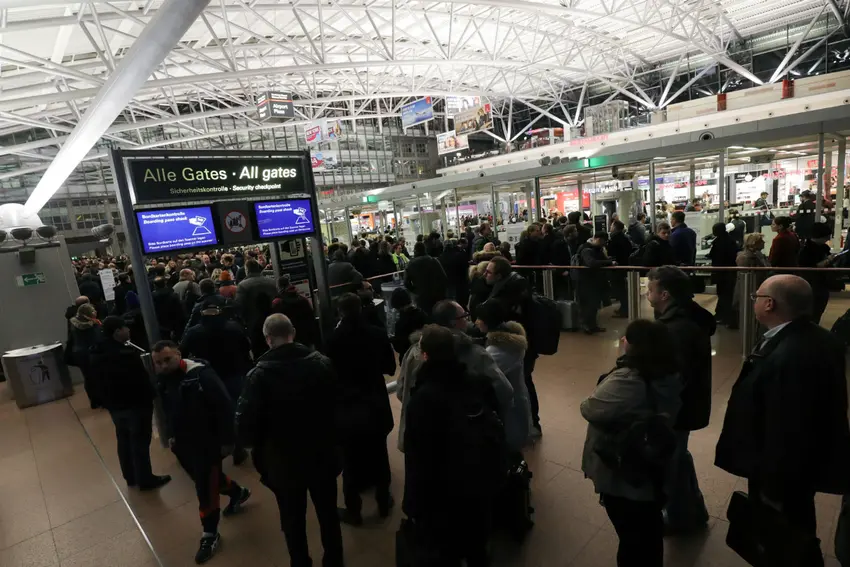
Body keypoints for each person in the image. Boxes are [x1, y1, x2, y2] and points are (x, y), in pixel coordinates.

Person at [715, 275, 850, 567]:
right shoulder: (818, 338)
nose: (755, 302)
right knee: (798, 523)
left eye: (757, 297)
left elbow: (787, 428)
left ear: (769, 304)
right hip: (805, 465)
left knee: (784, 532)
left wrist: (773, 487)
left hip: (782, 472)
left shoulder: (789, 357)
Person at [236, 314, 345, 567]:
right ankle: (334, 559)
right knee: (328, 512)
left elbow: (246, 427)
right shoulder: (322, 363)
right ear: (293, 332)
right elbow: (337, 405)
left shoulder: (258, 376)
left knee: (292, 518)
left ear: (267, 339)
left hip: (282, 460)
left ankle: (300, 561)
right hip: (322, 452)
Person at [581, 319, 681, 567]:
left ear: (637, 346)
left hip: (625, 466)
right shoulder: (667, 371)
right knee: (647, 531)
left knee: (632, 538)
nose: (622, 340)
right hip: (651, 461)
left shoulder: (630, 379)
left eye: (627, 338)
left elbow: (589, 407)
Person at [402, 325, 502, 566]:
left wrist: (413, 503)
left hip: (441, 494)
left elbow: (417, 456)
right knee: (478, 549)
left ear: (424, 355)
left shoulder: (423, 398)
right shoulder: (477, 383)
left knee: (445, 552)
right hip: (477, 482)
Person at [153, 341, 251, 564]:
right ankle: (237, 492)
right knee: (204, 478)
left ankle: (209, 533)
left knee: (204, 488)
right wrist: (171, 434)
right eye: (158, 362)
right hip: (184, 443)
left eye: (167, 359)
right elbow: (168, 409)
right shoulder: (164, 380)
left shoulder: (201, 376)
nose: (163, 365)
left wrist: (228, 441)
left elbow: (224, 406)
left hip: (208, 441)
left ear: (178, 354)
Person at [646, 266, 714, 534]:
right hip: (686, 406)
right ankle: (692, 510)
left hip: (675, 411)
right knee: (678, 456)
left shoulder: (675, 329)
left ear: (664, 294)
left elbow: (670, 378)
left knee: (671, 462)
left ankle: (678, 517)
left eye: (650, 290)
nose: (647, 294)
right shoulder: (691, 318)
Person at [396, 300, 513, 453]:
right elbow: (504, 391)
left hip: (421, 439)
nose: (468, 320)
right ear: (454, 322)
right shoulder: (475, 355)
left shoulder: (413, 352)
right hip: (465, 441)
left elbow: (400, 390)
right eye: (464, 316)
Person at [326, 293, 397, 526]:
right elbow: (389, 366)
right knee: (380, 454)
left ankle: (354, 511)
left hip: (347, 405)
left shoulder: (333, 339)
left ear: (340, 312)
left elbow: (330, 375)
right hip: (375, 401)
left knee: (350, 461)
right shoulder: (376, 334)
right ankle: (383, 502)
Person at [91, 317, 171, 491]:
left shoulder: (97, 352)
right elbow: (140, 380)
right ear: (117, 332)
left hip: (114, 405)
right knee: (140, 441)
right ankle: (145, 478)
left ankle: (130, 476)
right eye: (124, 327)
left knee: (124, 439)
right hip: (135, 404)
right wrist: (152, 394)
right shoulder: (126, 355)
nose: (128, 330)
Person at [475, 300, 533, 454]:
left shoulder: (500, 350)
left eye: (479, 319)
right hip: (517, 396)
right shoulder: (510, 337)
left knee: (511, 444)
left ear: (488, 322)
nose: (475, 322)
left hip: (510, 405)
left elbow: (481, 372)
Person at [235, 259, 278, 358]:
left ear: (247, 269)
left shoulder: (242, 285)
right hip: (273, 318)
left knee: (259, 351)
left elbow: (239, 306)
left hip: (253, 323)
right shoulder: (271, 282)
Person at [575, 232, 616, 334]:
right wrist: (609, 262)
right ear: (597, 239)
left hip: (594, 281)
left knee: (594, 305)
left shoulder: (596, 249)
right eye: (602, 241)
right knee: (588, 305)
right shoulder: (586, 249)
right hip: (586, 281)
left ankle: (592, 325)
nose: (604, 244)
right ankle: (587, 326)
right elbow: (591, 263)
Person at [798, 221, 835, 324]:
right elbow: (810, 267)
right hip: (813, 284)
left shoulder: (822, 248)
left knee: (817, 311)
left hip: (821, 283)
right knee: (813, 311)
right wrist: (828, 260)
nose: (828, 239)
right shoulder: (806, 250)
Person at [731, 233, 771, 329]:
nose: (764, 242)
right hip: (749, 289)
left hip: (757, 287)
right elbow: (746, 274)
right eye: (761, 241)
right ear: (754, 243)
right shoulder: (745, 257)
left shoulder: (758, 255)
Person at [69, 303, 104, 409]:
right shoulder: (93, 325)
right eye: (92, 310)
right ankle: (102, 399)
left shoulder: (74, 324)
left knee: (88, 378)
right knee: (99, 376)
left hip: (80, 354)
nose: (95, 311)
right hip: (92, 353)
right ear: (87, 313)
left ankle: (94, 401)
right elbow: (98, 338)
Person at [271, 275, 318, 349]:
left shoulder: (277, 303)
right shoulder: (303, 300)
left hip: (288, 340)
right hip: (305, 338)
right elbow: (311, 319)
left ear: (279, 287)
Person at [707, 222, 739, 325]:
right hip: (729, 271)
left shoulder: (718, 241)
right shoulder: (730, 240)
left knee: (722, 294)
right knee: (726, 294)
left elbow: (714, 255)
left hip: (721, 272)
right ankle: (723, 315)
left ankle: (722, 315)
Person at [404, 241, 447, 315]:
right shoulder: (433, 261)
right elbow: (444, 277)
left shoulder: (410, 264)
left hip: (421, 297)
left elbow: (406, 282)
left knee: (425, 318)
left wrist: (415, 290)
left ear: (415, 251)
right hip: (436, 295)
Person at [390, 287, 428, 359]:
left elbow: (400, 347)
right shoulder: (422, 314)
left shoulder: (400, 324)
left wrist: (392, 340)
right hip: (425, 355)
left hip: (409, 358)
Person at [607, 220, 633, 317]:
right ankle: (624, 308)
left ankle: (625, 310)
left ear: (615, 227)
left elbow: (612, 253)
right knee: (622, 289)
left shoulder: (615, 239)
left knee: (620, 289)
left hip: (618, 267)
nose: (610, 227)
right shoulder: (624, 238)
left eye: (612, 226)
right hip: (623, 266)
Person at [152, 276, 186, 341]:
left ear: (155, 285)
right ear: (165, 284)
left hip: (159, 325)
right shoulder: (173, 295)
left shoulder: (151, 297)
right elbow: (179, 312)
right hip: (173, 325)